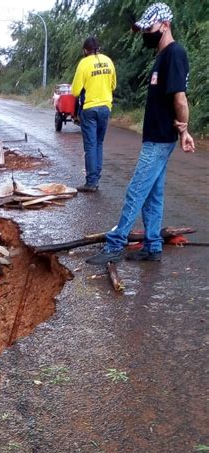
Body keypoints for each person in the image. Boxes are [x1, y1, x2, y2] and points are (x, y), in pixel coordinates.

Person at [87, 3, 195, 265]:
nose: (147, 33)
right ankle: (153, 246)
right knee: (152, 194)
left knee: (136, 190)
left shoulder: (175, 54)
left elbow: (180, 99)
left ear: (165, 25)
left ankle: (115, 244)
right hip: (155, 136)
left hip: (160, 138)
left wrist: (184, 128)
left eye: (150, 28)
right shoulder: (161, 56)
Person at [71, 36, 117, 192]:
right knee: (99, 143)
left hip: (90, 108)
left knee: (90, 145)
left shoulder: (84, 63)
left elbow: (75, 91)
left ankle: (91, 182)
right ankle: (96, 178)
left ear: (85, 50)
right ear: (99, 48)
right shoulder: (109, 61)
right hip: (105, 107)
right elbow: (113, 85)